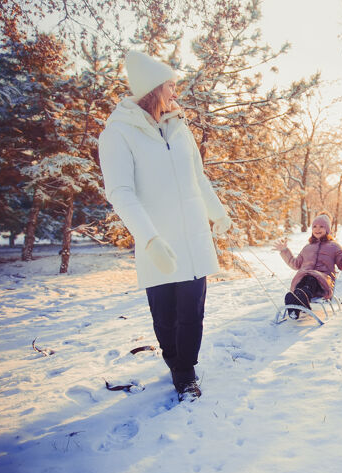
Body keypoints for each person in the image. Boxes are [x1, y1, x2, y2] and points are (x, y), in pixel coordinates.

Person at [98, 51, 231, 401]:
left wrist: (217, 213)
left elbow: (197, 177)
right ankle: (176, 364)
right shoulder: (118, 133)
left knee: (192, 313)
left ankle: (185, 371)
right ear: (154, 89)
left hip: (194, 239)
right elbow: (121, 192)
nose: (176, 92)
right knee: (166, 316)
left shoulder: (179, 127)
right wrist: (150, 239)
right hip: (158, 243)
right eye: (171, 85)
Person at [272, 212, 342, 319]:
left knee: (311, 277)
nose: (317, 229)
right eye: (314, 226)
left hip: (323, 282)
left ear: (327, 229)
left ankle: (302, 296)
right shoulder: (307, 247)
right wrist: (284, 251)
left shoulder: (334, 247)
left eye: (321, 226)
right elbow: (295, 264)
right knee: (304, 278)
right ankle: (296, 301)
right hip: (303, 279)